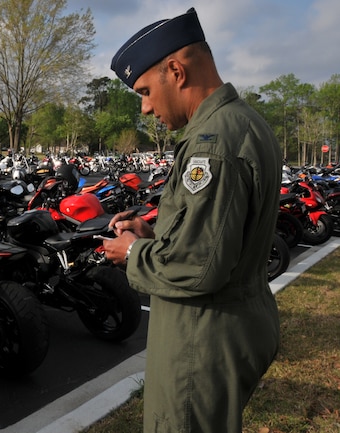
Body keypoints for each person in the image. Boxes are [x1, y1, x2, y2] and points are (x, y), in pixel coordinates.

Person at [102, 8, 281, 432]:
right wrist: (154, 234)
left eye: (145, 91)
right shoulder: (245, 123)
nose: (145, 109)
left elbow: (199, 267)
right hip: (229, 322)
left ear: (176, 71)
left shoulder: (211, 143)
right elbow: (219, 231)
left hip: (200, 338)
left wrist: (133, 254)